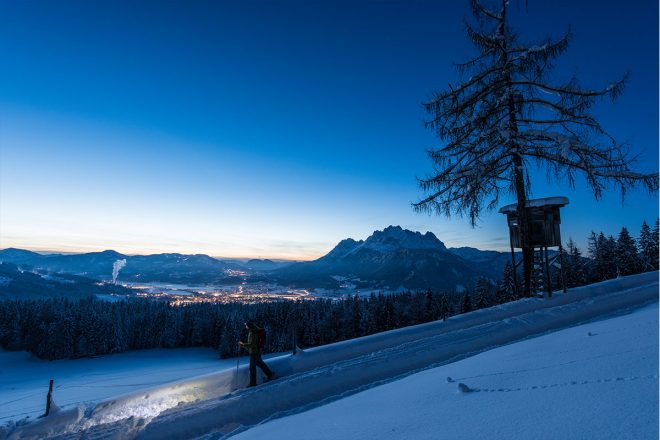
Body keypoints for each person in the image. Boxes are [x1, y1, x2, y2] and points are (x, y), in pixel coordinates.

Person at [240, 320, 275, 387]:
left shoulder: (253, 333)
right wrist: (244, 345)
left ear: (249, 326)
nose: (246, 327)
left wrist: (243, 345)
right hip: (256, 352)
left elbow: (252, 345)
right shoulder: (253, 331)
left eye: (246, 326)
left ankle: (253, 383)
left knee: (252, 368)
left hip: (254, 353)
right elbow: (252, 345)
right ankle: (270, 374)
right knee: (260, 363)